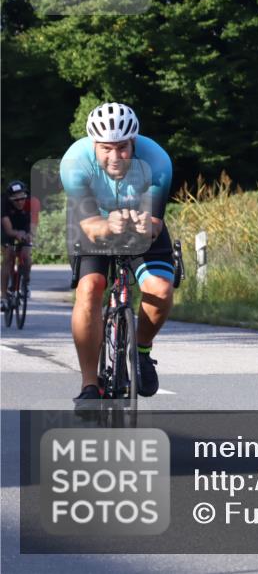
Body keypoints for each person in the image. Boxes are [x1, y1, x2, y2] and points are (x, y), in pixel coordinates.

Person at [59, 102, 174, 407]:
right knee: (90, 287)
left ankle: (142, 351)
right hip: (94, 223)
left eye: (122, 148)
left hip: (139, 222)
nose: (114, 157)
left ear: (133, 142)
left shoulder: (157, 160)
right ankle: (89, 384)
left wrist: (145, 225)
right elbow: (90, 226)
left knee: (161, 289)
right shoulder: (74, 162)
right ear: (94, 145)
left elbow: (155, 224)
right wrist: (108, 224)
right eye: (106, 149)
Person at [1, 180, 33, 310]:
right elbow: (8, 230)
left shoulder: (31, 203)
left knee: (26, 256)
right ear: (10, 199)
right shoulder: (3, 204)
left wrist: (29, 235)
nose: (20, 202)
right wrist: (17, 234)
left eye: (22, 198)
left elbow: (33, 225)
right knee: (8, 258)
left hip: (24, 226)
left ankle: (26, 282)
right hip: (7, 229)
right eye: (16, 199)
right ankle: (3, 297)